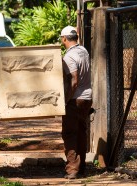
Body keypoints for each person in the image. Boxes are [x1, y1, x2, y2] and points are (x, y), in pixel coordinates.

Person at [60, 25, 92, 179]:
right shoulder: (84, 51)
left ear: (64, 38)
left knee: (70, 133)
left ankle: (72, 169)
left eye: (62, 38)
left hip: (75, 99)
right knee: (81, 132)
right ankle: (82, 167)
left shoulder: (69, 57)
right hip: (87, 97)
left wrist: (66, 100)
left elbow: (74, 80)